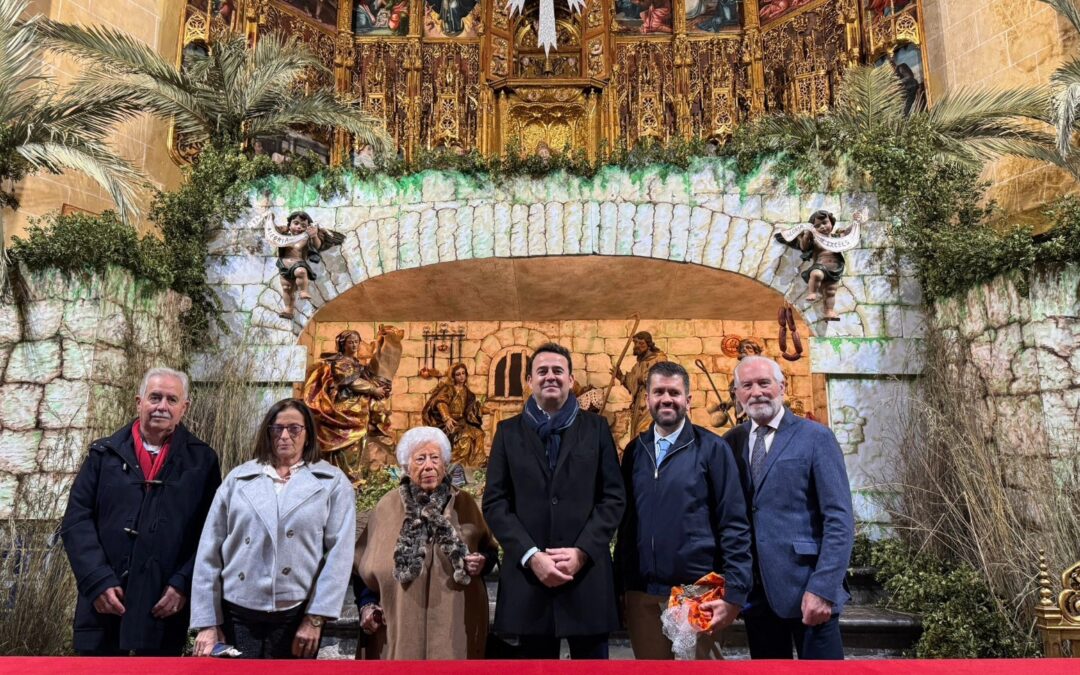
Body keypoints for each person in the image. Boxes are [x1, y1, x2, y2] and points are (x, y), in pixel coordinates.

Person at [61, 367, 221, 656]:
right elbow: (76, 520)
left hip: (163, 606)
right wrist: (97, 581)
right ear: (139, 402)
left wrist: (183, 584)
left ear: (184, 408)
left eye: (172, 400)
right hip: (104, 605)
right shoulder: (103, 454)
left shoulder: (203, 461)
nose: (162, 406)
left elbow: (211, 531)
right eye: (155, 397)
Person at [483, 342, 626, 659]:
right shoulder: (508, 433)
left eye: (558, 370)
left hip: (586, 579)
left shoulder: (597, 429)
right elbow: (495, 502)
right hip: (529, 583)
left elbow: (613, 497)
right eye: (542, 371)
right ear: (529, 381)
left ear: (571, 379)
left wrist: (583, 551)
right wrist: (531, 555)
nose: (551, 376)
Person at [190, 399, 356, 659]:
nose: (285, 436)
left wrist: (315, 618)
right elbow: (209, 552)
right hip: (237, 611)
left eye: (294, 429)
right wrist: (208, 622)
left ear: (308, 433)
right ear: (267, 432)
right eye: (277, 428)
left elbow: (340, 555)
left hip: (296, 615)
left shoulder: (332, 482)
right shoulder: (238, 478)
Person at [616, 361, 752, 659]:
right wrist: (622, 587)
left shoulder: (713, 449)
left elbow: (734, 523)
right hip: (643, 595)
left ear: (688, 401)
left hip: (696, 593)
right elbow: (626, 525)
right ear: (648, 398)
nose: (666, 398)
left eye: (674, 392)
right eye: (659, 391)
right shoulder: (635, 451)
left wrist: (735, 593)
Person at [723, 356, 854, 660]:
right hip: (758, 595)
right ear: (738, 395)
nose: (756, 392)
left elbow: (839, 519)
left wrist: (823, 587)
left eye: (764, 383)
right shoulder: (731, 442)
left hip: (808, 589)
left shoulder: (816, 437)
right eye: (747, 385)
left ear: (782, 386)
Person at [353, 426, 498, 659]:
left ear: (445, 463)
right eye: (420, 459)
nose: (429, 466)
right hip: (398, 628)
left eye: (435, 458)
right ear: (406, 467)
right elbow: (361, 569)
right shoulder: (385, 507)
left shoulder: (466, 504)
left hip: (456, 628)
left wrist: (482, 562)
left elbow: (488, 552)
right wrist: (367, 605)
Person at [303, 327, 404, 480]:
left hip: (359, 409)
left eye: (356, 342)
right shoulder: (339, 362)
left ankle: (357, 476)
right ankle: (346, 477)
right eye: (351, 342)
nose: (354, 345)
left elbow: (368, 376)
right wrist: (373, 390)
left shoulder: (356, 363)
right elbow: (351, 381)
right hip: (345, 410)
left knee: (360, 443)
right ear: (343, 345)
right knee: (348, 445)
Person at [421, 362, 486, 467]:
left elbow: (472, 409)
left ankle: (475, 466)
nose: (461, 376)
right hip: (445, 422)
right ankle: (455, 465)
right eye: (458, 374)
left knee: (478, 434)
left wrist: (487, 410)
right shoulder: (448, 389)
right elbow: (441, 402)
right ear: (453, 376)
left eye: (463, 373)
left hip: (462, 422)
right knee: (465, 437)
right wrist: (447, 418)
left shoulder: (468, 392)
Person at [612, 331, 668, 439]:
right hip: (639, 405)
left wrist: (646, 379)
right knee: (637, 435)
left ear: (649, 345)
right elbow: (632, 383)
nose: (637, 346)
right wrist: (621, 377)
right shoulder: (638, 366)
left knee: (646, 433)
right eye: (635, 343)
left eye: (641, 343)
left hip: (652, 404)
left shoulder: (659, 359)